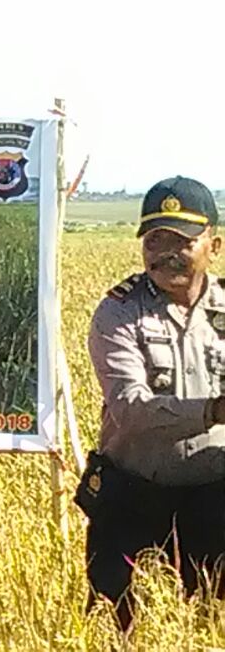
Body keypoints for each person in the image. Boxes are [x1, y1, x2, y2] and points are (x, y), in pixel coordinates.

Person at [75, 175, 225, 631]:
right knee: (116, 629)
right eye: (154, 239)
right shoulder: (119, 312)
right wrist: (214, 411)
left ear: (213, 246)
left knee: (210, 628)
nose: (165, 252)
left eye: (181, 240)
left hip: (213, 502)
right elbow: (130, 408)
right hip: (132, 500)